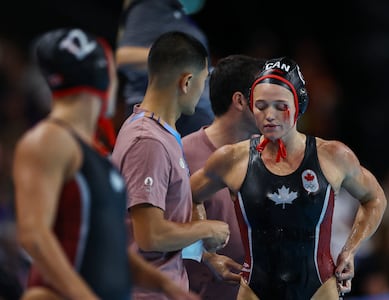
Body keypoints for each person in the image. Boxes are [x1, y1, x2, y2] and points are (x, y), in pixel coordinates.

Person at [12, 28, 199, 300]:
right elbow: (34, 237)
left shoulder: (93, 152)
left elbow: (107, 249)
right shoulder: (50, 140)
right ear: (103, 78)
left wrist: (165, 285)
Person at [190, 56, 387, 300]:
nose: (269, 115)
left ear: (298, 106)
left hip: (319, 290)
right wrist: (206, 255)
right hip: (254, 290)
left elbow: (375, 198)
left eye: (280, 106)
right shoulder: (232, 159)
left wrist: (350, 250)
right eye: (261, 106)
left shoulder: (333, 156)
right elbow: (187, 197)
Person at [111, 31, 230, 300]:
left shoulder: (160, 133)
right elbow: (149, 236)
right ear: (186, 82)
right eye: (203, 82)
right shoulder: (147, 141)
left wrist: (204, 254)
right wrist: (207, 228)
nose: (203, 93)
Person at [182, 54, 266, 299]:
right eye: (262, 97)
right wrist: (206, 257)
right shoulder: (181, 155)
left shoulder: (271, 153)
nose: (270, 107)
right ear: (240, 101)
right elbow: (157, 230)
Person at [115, 0, 214, 136]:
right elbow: (123, 57)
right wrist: (178, 56)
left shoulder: (181, 16)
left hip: (193, 113)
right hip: (165, 114)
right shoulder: (149, 7)